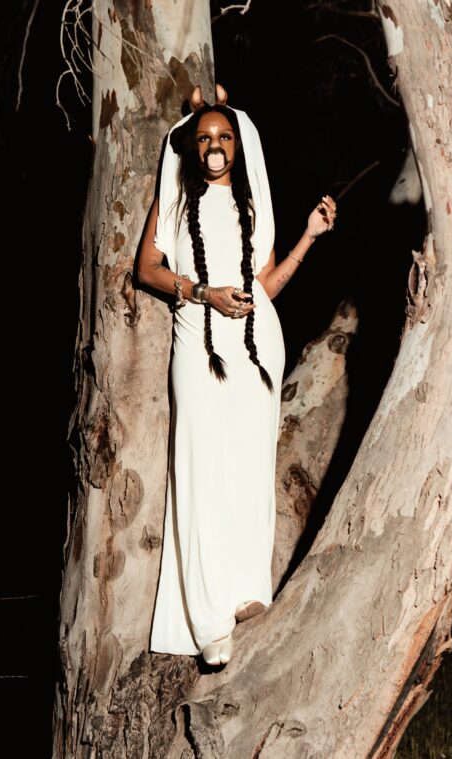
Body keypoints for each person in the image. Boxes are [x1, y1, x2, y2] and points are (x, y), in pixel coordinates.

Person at [139, 85, 336, 666]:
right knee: (200, 468)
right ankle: (208, 620)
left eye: (224, 136)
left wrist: (308, 237)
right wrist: (204, 293)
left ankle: (247, 590)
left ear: (238, 144)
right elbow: (147, 269)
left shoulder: (251, 208)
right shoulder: (175, 198)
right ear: (192, 146)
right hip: (197, 346)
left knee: (248, 468)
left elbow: (265, 286)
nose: (215, 146)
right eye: (205, 137)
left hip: (256, 351)